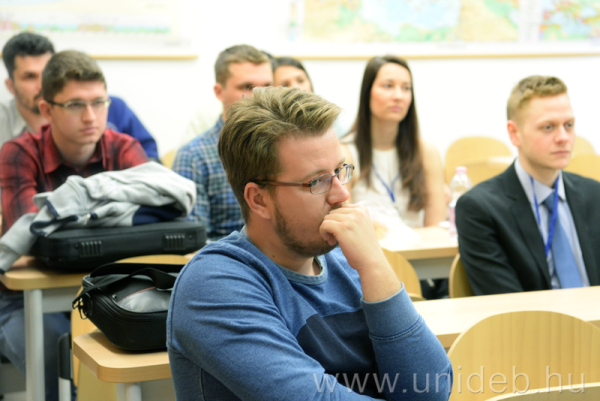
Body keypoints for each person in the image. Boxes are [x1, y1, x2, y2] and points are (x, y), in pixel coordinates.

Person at [167, 87, 452, 400]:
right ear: (259, 199)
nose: (342, 194)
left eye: (340, 171)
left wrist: (375, 265)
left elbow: (431, 390)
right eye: (317, 181)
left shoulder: (351, 260)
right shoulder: (214, 285)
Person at [0, 50, 148, 401]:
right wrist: (112, 225)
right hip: (24, 298)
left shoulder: (124, 147)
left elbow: (151, 226)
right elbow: (36, 238)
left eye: (99, 102)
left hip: (108, 291)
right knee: (55, 359)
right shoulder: (18, 153)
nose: (91, 116)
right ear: (47, 109)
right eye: (75, 105)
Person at [455, 75, 600, 295]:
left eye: (569, 125)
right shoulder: (479, 209)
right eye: (548, 127)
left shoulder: (594, 194)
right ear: (515, 133)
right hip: (534, 317)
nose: (563, 137)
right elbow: (507, 302)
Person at [340, 56, 447, 298]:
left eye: (406, 88)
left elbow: (437, 230)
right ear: (367, 93)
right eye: (388, 86)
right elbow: (349, 233)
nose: (398, 95)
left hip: (423, 270)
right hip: (367, 273)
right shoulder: (346, 153)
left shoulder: (425, 151)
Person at [0, 32, 159, 159]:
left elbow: (150, 161)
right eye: (30, 77)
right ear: (10, 86)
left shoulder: (113, 108)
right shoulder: (14, 147)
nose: (42, 85)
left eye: (46, 74)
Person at [172, 44, 273, 241]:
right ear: (219, 92)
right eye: (247, 87)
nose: (261, 96)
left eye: (267, 86)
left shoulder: (288, 148)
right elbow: (193, 243)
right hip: (226, 257)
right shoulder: (194, 157)